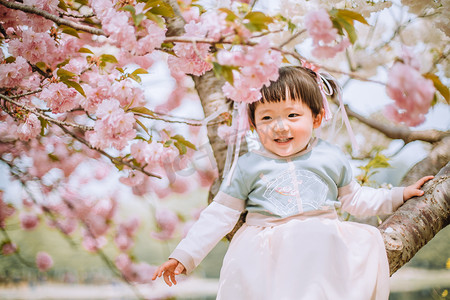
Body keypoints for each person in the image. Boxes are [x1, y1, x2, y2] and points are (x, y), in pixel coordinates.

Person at [152, 66, 433, 300]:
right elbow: (220, 214)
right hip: (268, 246)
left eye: (292, 115)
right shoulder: (249, 165)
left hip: (320, 243)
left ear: (317, 117)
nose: (280, 126)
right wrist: (184, 255)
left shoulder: (330, 156)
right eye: (266, 117)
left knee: (354, 244)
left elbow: (356, 200)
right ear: (252, 124)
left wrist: (399, 195)